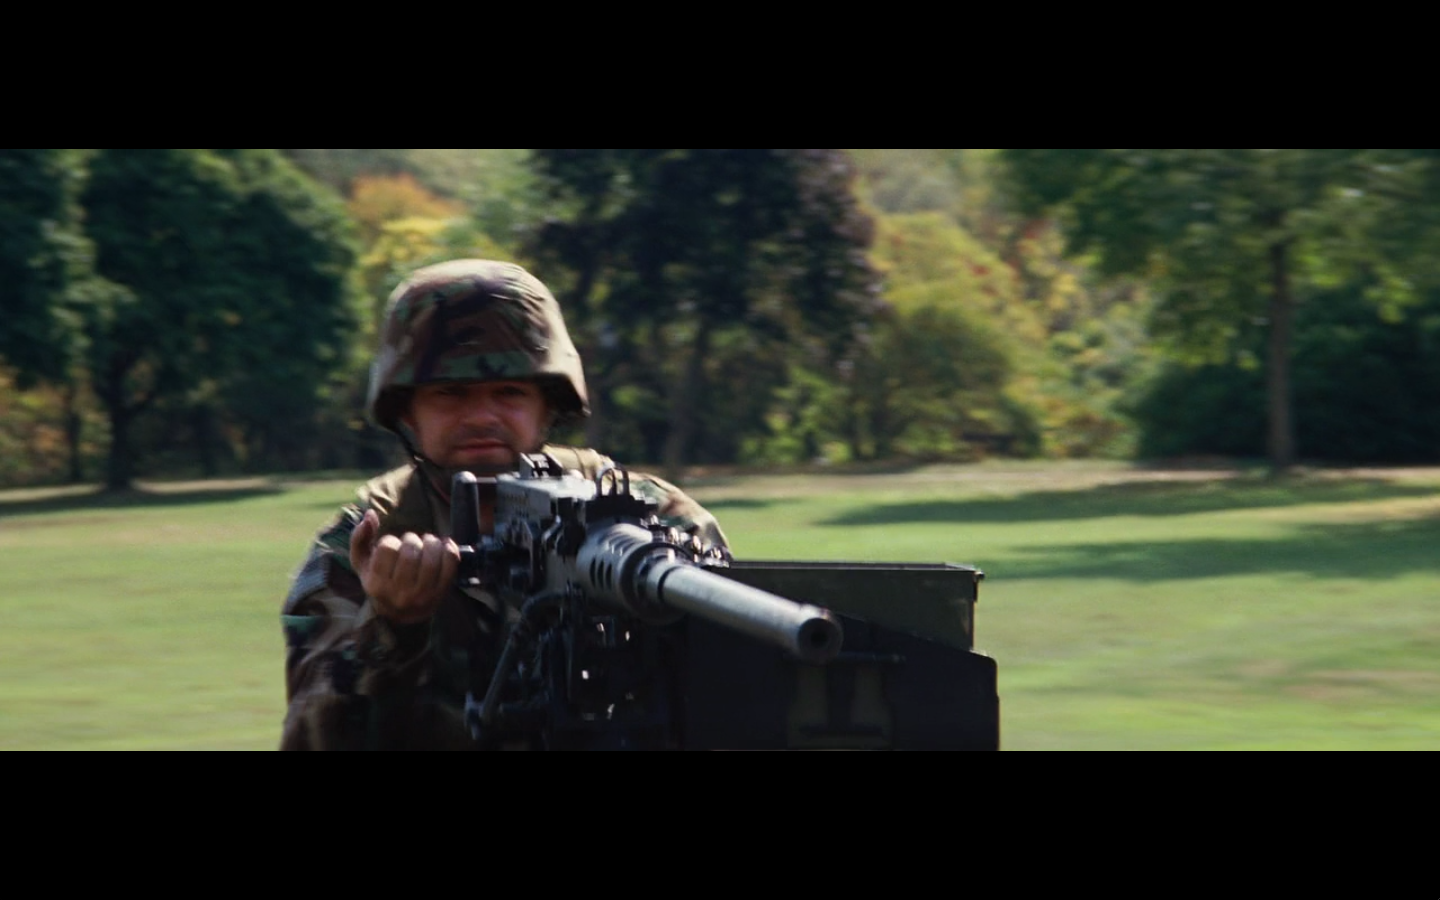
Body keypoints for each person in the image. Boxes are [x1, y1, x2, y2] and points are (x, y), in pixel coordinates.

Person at [280, 259, 728, 750]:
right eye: (450, 393)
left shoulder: (655, 522)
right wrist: (392, 628)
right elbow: (313, 738)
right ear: (406, 410)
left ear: (548, 404)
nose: (481, 416)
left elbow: (736, 701)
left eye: (509, 391)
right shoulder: (364, 544)